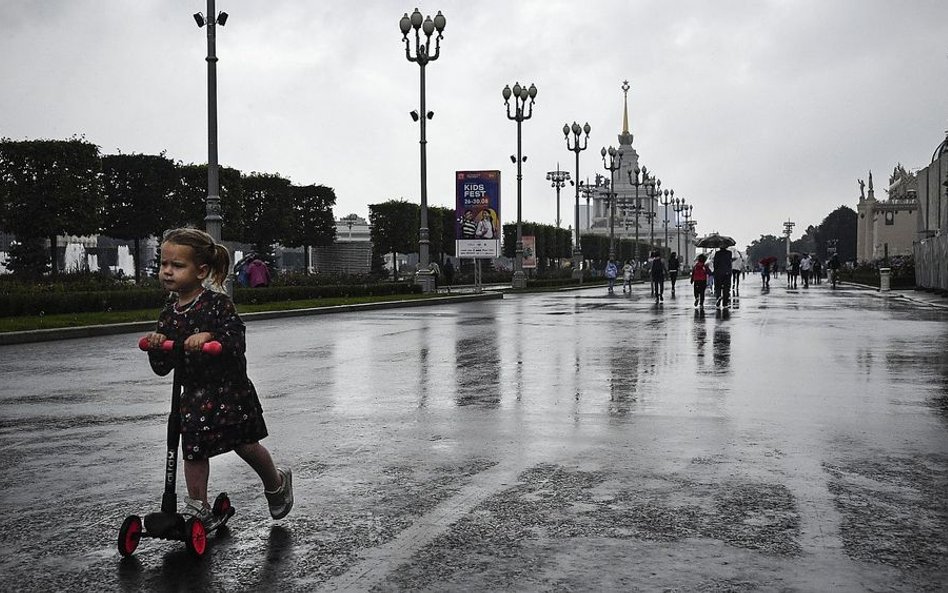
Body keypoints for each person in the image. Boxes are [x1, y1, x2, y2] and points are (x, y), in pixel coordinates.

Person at [142, 228, 294, 526]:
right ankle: (198, 505)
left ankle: (276, 484)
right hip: (195, 396)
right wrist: (158, 344)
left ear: (201, 271)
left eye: (177, 265)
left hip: (229, 393)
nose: (168, 272)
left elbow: (236, 340)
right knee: (193, 450)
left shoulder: (217, 304)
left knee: (246, 445)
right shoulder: (169, 315)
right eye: (164, 264)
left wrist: (211, 336)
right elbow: (163, 367)